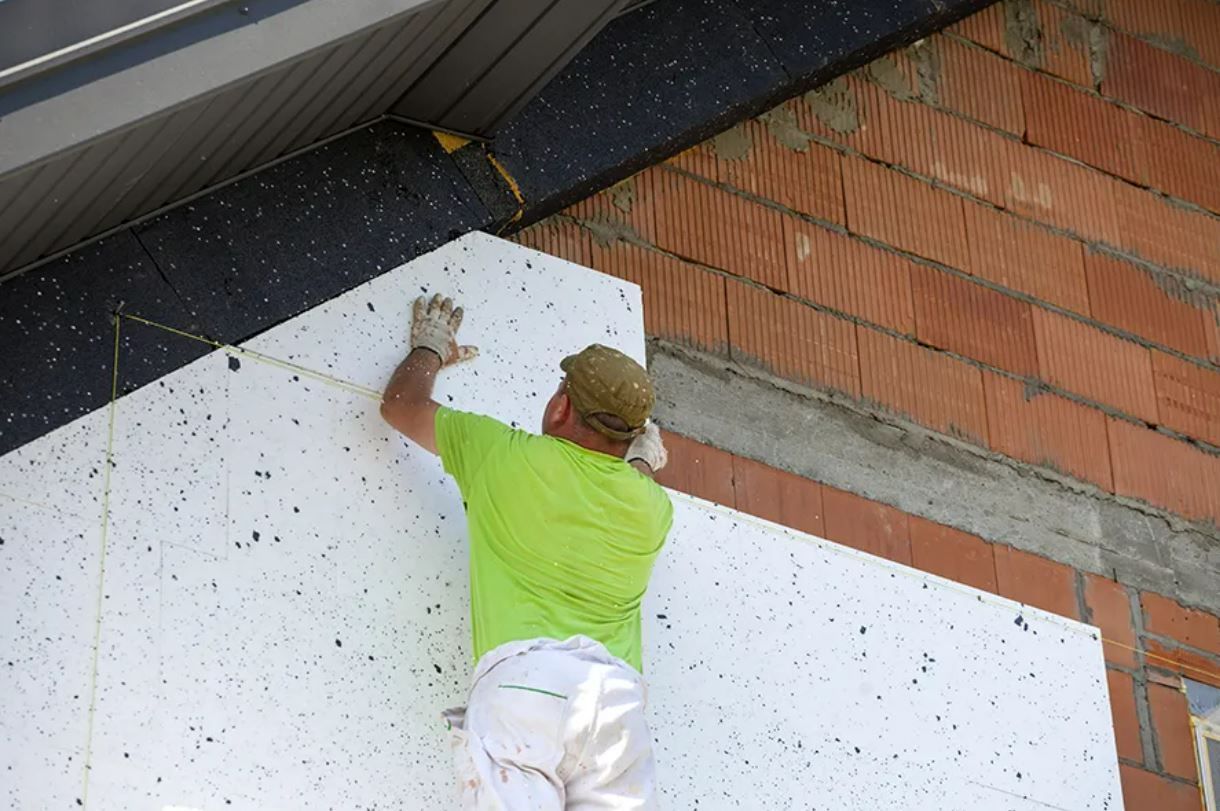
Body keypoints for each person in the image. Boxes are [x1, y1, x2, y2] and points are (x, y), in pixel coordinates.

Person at [380, 293, 673, 810]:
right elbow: (636, 476)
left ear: (561, 406)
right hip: (614, 707)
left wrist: (430, 348)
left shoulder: (501, 455)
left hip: (527, 689)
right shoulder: (652, 508)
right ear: (630, 438)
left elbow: (401, 406)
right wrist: (642, 459)